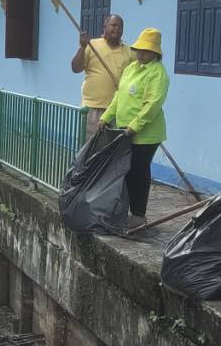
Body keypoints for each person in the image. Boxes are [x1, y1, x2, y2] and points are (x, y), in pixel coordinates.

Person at [98, 28, 168, 226]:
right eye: (139, 50)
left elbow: (152, 105)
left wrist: (134, 126)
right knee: (126, 171)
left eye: (146, 51)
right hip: (125, 130)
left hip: (145, 135)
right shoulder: (131, 68)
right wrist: (106, 116)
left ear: (155, 53)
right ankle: (125, 211)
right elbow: (119, 96)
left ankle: (138, 214)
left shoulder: (158, 74)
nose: (141, 54)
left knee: (138, 171)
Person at [70, 14, 130, 138]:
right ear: (104, 26)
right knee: (92, 146)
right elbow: (76, 68)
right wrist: (82, 47)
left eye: (120, 26)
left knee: (111, 147)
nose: (117, 28)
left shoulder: (129, 52)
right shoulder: (91, 45)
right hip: (94, 109)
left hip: (117, 110)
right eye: (113, 25)